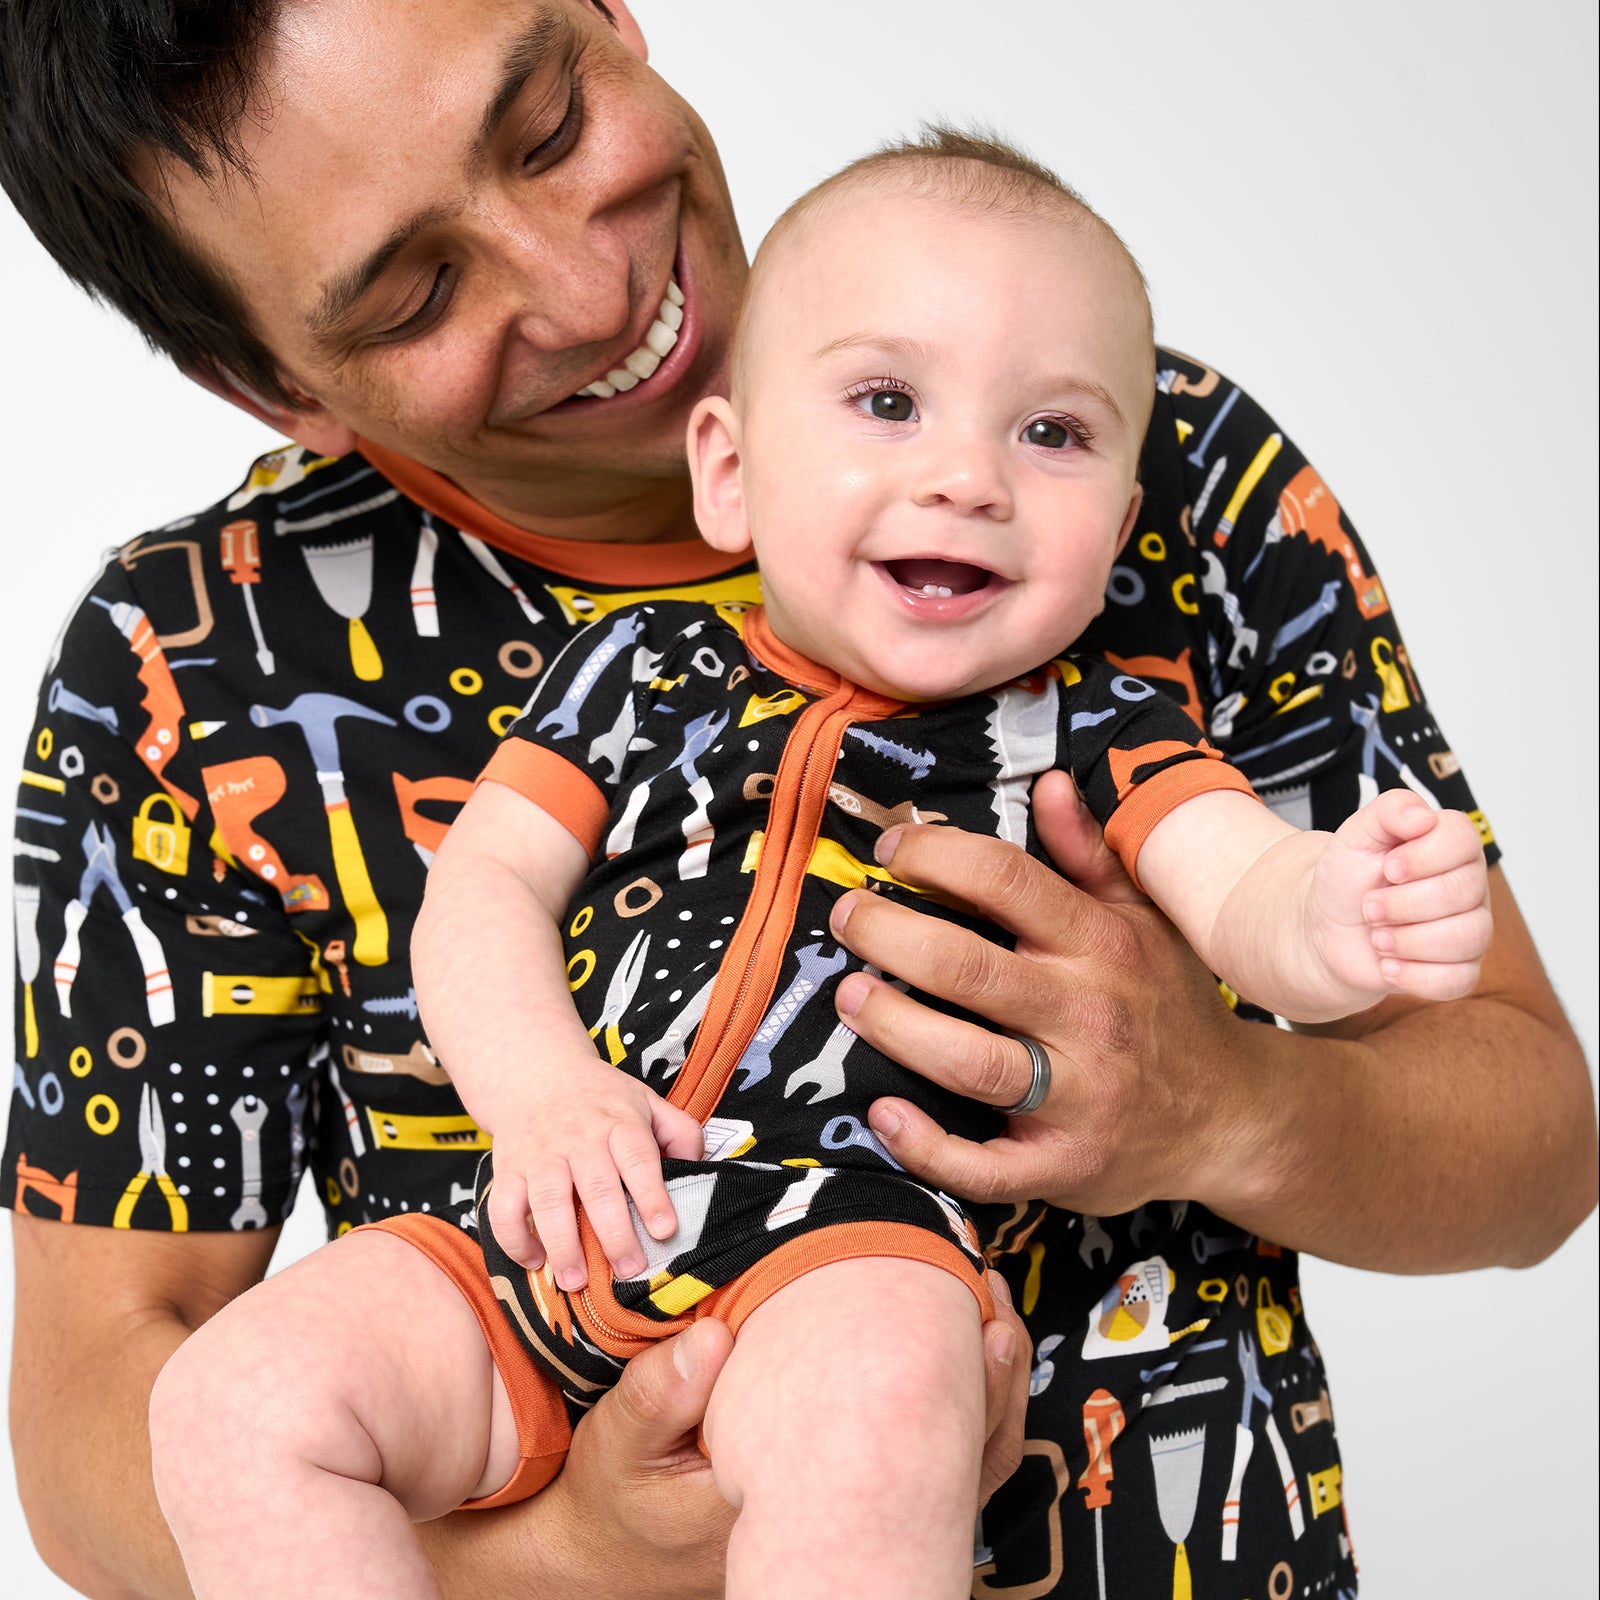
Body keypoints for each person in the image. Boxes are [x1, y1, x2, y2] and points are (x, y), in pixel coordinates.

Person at [0, 3, 1591, 1597]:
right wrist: (572, 1560)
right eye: (419, 291)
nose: (587, 284)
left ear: (610, 11)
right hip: (544, 1297)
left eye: (549, 123)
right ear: (270, 383)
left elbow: (1534, 1134)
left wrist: (1228, 1102)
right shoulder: (196, 666)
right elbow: (89, 1428)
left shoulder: (1150, 462)